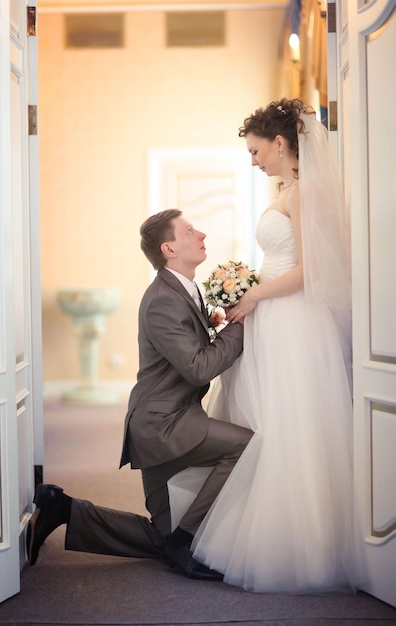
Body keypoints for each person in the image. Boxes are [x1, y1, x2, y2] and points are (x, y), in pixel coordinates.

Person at [190, 98, 364, 593]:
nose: (253, 160)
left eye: (254, 150)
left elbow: (312, 272)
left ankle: (301, 548)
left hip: (295, 322)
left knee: (291, 424)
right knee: (268, 421)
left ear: (280, 143)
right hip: (276, 316)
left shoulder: (305, 193)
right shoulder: (290, 190)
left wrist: (254, 295)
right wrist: (248, 289)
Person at [27, 209, 252, 580]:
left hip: (166, 419)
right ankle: (185, 539)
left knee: (161, 536)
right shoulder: (163, 298)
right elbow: (198, 368)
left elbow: (188, 354)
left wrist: (217, 325)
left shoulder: (182, 289)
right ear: (169, 248)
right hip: (164, 424)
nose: (202, 234)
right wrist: (240, 324)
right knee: (245, 446)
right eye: (191, 230)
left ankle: (63, 509)